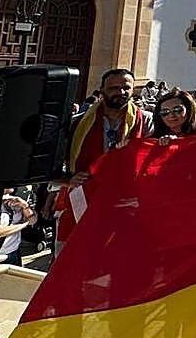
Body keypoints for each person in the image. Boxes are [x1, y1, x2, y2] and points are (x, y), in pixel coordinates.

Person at [56, 68, 153, 246]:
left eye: (126, 88)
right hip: (84, 201)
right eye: (114, 88)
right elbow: (51, 163)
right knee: (75, 255)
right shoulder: (77, 123)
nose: (121, 92)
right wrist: (68, 179)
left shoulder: (147, 123)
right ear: (102, 90)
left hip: (126, 205)